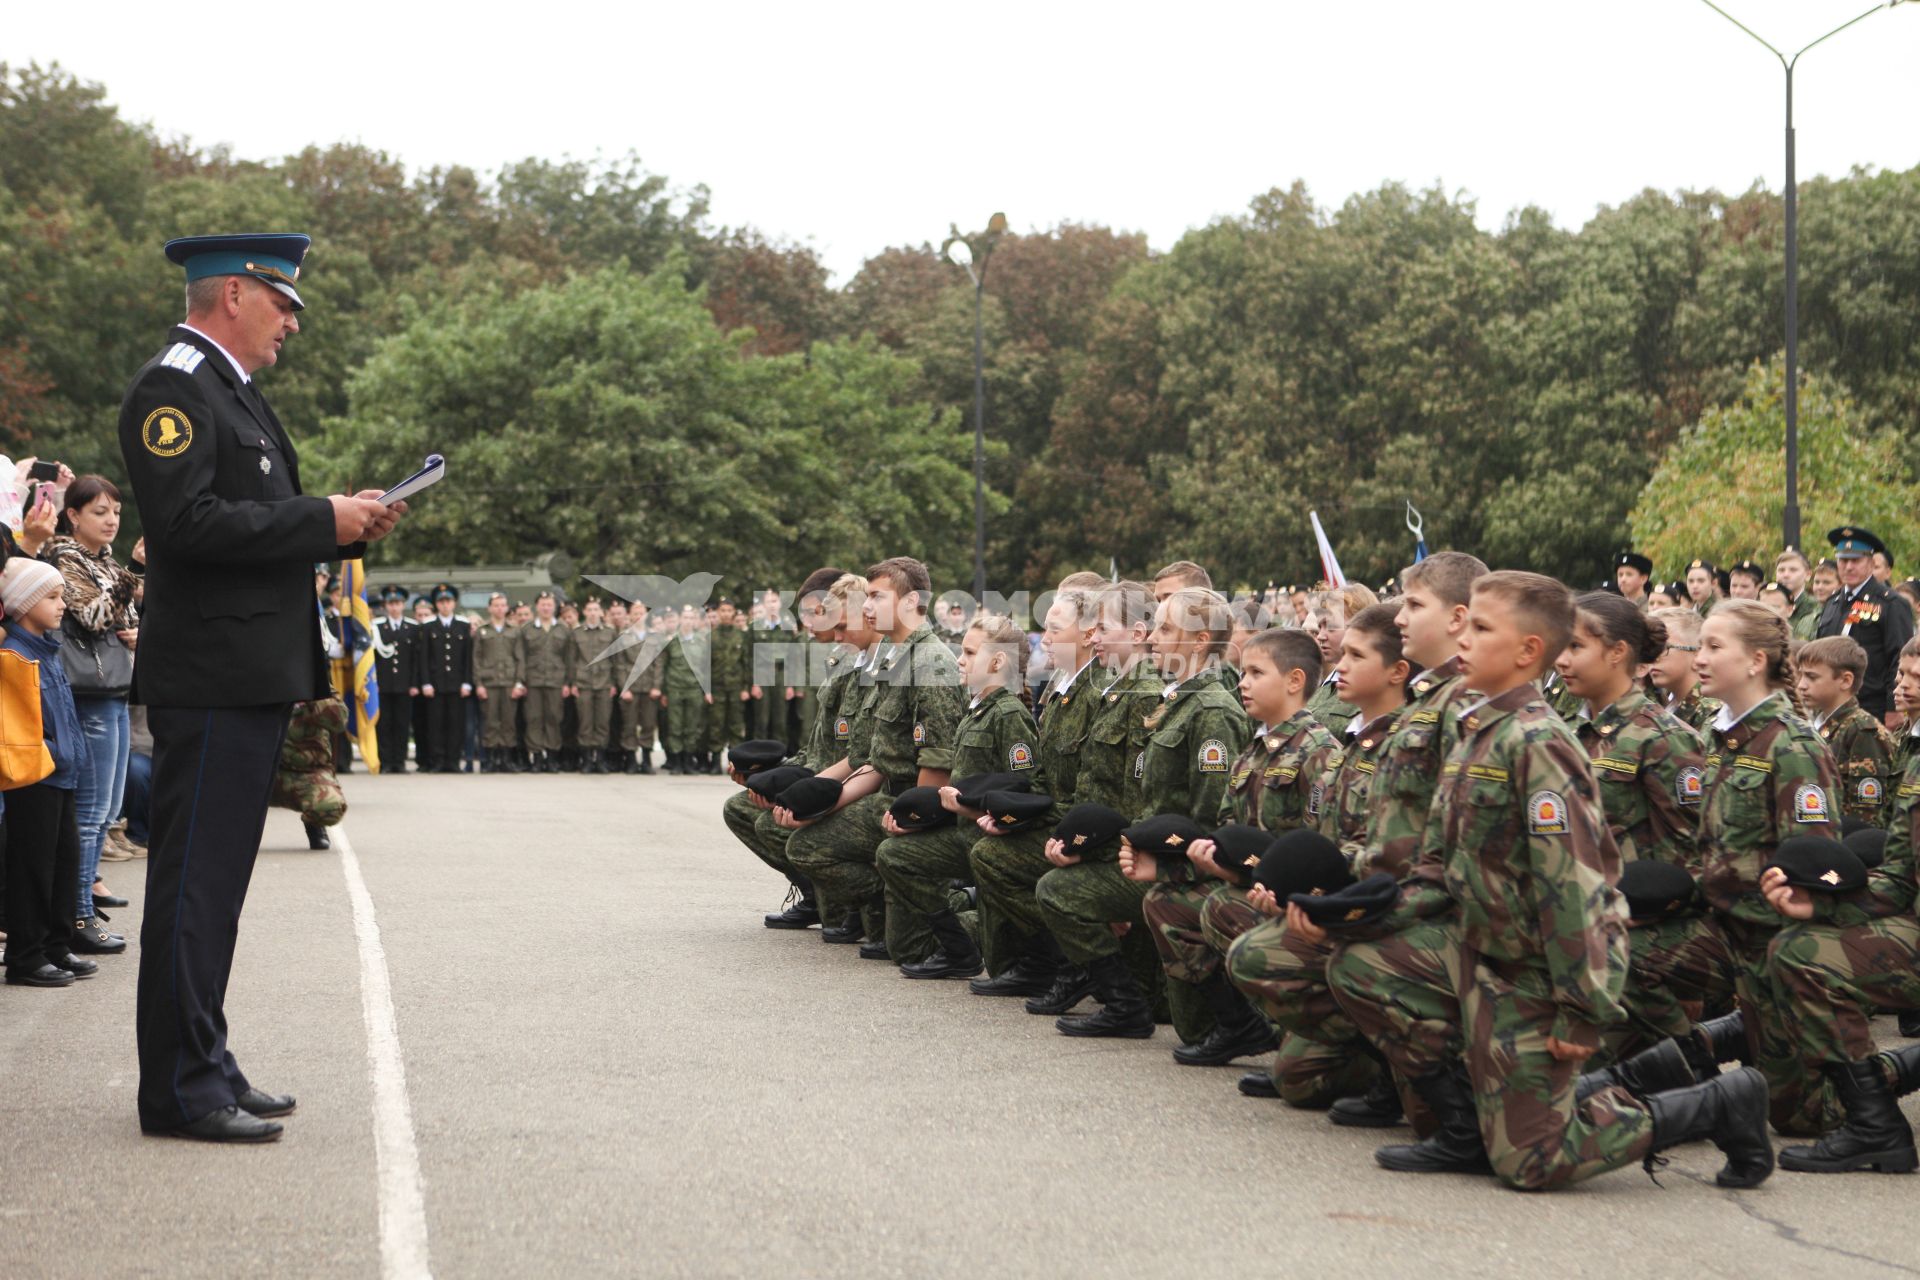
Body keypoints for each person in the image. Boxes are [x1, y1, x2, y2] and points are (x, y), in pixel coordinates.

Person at [1325, 572, 1773, 1192]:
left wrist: (1583, 1009)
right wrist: (1357, 911)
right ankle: (1472, 1122)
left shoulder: (1538, 743)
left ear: (1527, 652)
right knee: (1361, 962)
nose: (1465, 637)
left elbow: (1579, 889)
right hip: (1481, 952)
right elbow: (1438, 866)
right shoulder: (1477, 731)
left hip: (1533, 971)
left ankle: (1717, 1103)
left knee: (1532, 1163)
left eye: (1482, 628)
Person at [118, 232, 402, 1142]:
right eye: (282, 303)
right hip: (211, 677)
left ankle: (204, 1059)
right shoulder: (175, 386)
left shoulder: (226, 390)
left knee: (215, 892)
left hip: (240, 677)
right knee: (194, 891)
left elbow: (248, 520)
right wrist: (324, 516)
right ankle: (178, 1088)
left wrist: (343, 526)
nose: (290, 322)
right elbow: (190, 525)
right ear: (231, 292)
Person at [1226, 601, 1409, 1111]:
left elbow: (1393, 851)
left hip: (1375, 909)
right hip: (1336, 899)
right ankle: (1350, 1045)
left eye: (1355, 655)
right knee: (1297, 1081)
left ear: (1398, 671)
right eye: (1341, 652)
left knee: (1254, 948)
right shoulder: (1354, 743)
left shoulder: (1395, 743)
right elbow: (1319, 835)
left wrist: (1319, 896)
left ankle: (1387, 1061)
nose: (1340, 665)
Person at [1137, 625, 1336, 1069]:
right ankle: (1237, 1024)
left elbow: (1323, 846)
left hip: (1296, 901)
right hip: (1252, 884)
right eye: (1242, 671)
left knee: (1219, 909)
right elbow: (1230, 830)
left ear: (1294, 681)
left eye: (1255, 672)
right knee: (1166, 903)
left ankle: (1293, 1033)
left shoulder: (1318, 751)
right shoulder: (1254, 751)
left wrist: (1287, 892)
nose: (1242, 682)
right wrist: (1212, 866)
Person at [1555, 592, 1734, 1061]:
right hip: (1593, 913)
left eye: (1575, 647)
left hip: (1651, 926)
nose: (1561, 659)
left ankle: (1692, 1057)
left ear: (1617, 653)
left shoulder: (1663, 738)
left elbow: (1699, 854)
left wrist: (1645, 907)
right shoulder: (1574, 734)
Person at [782, 557, 965, 962]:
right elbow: (876, 759)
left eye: (877, 596)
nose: (867, 607)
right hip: (889, 797)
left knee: (908, 949)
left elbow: (937, 763)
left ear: (910, 600)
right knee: (807, 843)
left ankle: (958, 904)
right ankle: (900, 895)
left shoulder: (931, 662)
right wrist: (825, 802)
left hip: (917, 805)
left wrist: (914, 821)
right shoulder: (895, 659)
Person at [876, 613, 1041, 978]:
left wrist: (973, 809)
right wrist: (920, 820)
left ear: (997, 661)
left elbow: (1025, 791)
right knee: (895, 853)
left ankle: (976, 915)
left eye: (969, 652)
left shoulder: (1010, 715)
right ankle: (958, 948)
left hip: (990, 839)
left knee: (1004, 964)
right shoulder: (976, 710)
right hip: (962, 833)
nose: (960, 660)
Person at [967, 585, 1104, 994]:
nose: (1044, 637)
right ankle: (1045, 958)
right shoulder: (1063, 688)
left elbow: (1093, 790)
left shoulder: (1098, 692)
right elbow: (1044, 782)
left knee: (992, 857)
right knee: (991, 847)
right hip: (1059, 819)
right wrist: (1012, 816)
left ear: (1086, 635)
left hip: (1082, 828)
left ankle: (1067, 956)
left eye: (1055, 629)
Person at [42, 475, 140, 950]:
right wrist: (133, 573)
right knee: (89, 810)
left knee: (106, 812)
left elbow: (127, 621)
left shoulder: (103, 561)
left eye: (116, 512)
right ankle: (78, 915)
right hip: (89, 693)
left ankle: (82, 906)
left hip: (115, 689)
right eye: (100, 512)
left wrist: (138, 628)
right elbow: (96, 617)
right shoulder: (65, 559)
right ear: (73, 515)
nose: (111, 520)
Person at [1, 556, 95, 987]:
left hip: (61, 772)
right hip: (34, 773)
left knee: (63, 860)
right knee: (32, 866)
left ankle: (57, 944)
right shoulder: (13, 653)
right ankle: (25, 954)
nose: (62, 605)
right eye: (52, 597)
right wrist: (53, 751)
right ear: (22, 603)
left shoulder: (47, 649)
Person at [1815, 526, 1914, 725]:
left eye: (1856, 560)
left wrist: (1893, 708)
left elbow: (1900, 657)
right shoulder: (1832, 602)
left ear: (1870, 563)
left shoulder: (1890, 603)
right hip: (1831, 705)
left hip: (1871, 708)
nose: (1849, 567)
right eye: (1843, 560)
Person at [1797, 635, 1895, 825]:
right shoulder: (1814, 724)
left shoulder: (1863, 731)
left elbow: (1867, 814)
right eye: (1801, 675)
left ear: (1845, 680)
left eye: (1811, 676)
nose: (1801, 685)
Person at [271, 696, 347, 849]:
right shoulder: (256, 680)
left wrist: (313, 695)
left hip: (306, 775)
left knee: (329, 807)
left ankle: (315, 825)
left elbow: (339, 720)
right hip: (261, 775)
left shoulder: (313, 682)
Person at [417, 585, 473, 773]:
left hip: (457, 684)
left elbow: (467, 657)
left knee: (455, 724)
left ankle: (453, 761)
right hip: (436, 684)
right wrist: (425, 682)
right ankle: (438, 760)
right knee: (435, 725)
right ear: (436, 604)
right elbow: (424, 657)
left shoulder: (463, 626)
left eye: (448, 601)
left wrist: (467, 682)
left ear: (454, 603)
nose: (445, 605)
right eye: (441, 602)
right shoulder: (428, 626)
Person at [513, 590, 570, 772]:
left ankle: (552, 757)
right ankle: (536, 757)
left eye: (549, 604)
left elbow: (569, 658)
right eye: (543, 604)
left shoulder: (563, 629)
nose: (546, 608)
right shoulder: (527, 629)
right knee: (534, 719)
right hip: (533, 681)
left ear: (554, 607)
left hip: (556, 681)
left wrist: (568, 682)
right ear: (536, 607)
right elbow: (521, 657)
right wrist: (521, 681)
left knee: (554, 718)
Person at [471, 591, 521, 773]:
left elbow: (519, 658)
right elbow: (476, 659)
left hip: (509, 682)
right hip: (489, 682)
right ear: (489, 608)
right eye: (496, 605)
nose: (500, 609)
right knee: (491, 722)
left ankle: (506, 759)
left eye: (502, 605)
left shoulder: (514, 630)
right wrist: (479, 684)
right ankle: (491, 759)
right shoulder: (483, 630)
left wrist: (519, 683)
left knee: (508, 721)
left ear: (507, 608)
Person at [1648, 607, 1719, 734]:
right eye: (1649, 647)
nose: (1652, 656)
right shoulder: (1664, 703)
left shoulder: (1709, 712)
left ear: (1697, 654)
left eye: (1663, 648)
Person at [370, 585, 418, 773]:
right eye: (391, 603)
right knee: (384, 724)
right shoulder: (377, 627)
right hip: (384, 684)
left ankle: (399, 761)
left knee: (402, 725)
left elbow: (415, 659)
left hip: (404, 685)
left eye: (397, 603)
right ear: (385, 606)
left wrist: (414, 683)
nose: (394, 607)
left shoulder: (412, 627)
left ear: (403, 605)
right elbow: (372, 658)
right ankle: (386, 761)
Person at [567, 597, 617, 773]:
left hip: (604, 683)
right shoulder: (577, 633)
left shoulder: (610, 633)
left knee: (602, 722)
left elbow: (615, 660)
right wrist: (573, 683)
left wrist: (614, 683)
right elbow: (572, 660)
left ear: (601, 613)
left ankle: (601, 759)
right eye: (590, 610)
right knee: (586, 722)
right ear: (585, 613)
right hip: (584, 684)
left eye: (596, 609)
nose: (593, 613)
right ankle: (587, 759)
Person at [1775, 548, 1821, 639]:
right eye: (1781, 570)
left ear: (1808, 575)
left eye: (1793, 570)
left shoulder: (1815, 607)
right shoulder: (1764, 604)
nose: (1786, 575)